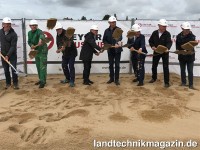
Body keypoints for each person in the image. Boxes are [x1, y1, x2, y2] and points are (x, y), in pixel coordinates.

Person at [148, 19, 172, 87]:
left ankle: (166, 82)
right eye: (163, 26)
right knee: (154, 66)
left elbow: (169, 42)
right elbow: (150, 41)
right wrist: (152, 46)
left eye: (165, 26)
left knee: (165, 67)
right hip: (156, 52)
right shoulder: (154, 33)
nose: (164, 27)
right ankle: (154, 78)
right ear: (159, 26)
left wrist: (167, 48)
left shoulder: (167, 34)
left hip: (165, 53)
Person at [55, 22, 77, 87]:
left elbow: (70, 43)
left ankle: (72, 81)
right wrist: (59, 49)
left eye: (59, 29)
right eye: (57, 29)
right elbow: (58, 44)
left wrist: (65, 46)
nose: (58, 30)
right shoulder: (57, 36)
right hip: (65, 53)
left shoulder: (67, 33)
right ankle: (67, 78)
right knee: (64, 65)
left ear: (62, 28)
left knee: (71, 66)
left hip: (72, 53)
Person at [28, 19, 48, 88]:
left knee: (42, 66)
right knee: (38, 65)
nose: (34, 26)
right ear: (30, 26)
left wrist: (40, 40)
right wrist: (31, 45)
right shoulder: (29, 33)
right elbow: (29, 41)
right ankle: (41, 79)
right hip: (36, 51)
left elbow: (41, 36)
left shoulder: (39, 31)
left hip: (42, 50)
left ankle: (43, 81)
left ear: (37, 26)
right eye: (32, 25)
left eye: (35, 25)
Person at [103, 16, 123, 85]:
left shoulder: (118, 29)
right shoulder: (106, 31)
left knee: (117, 65)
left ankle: (116, 79)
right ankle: (111, 78)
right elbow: (104, 40)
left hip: (117, 50)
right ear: (109, 23)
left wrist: (118, 42)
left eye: (114, 22)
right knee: (111, 64)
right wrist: (107, 45)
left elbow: (120, 38)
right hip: (110, 50)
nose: (113, 23)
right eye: (111, 22)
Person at [0, 17, 19, 89]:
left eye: (9, 24)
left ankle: (15, 83)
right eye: (6, 24)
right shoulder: (0, 32)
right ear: (3, 25)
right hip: (3, 54)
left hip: (12, 55)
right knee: (6, 69)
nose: (8, 26)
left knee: (13, 69)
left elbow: (13, 46)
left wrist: (8, 55)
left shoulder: (14, 34)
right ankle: (8, 83)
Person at [176, 22, 196, 89]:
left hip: (190, 56)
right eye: (186, 29)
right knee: (182, 70)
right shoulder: (178, 36)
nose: (187, 31)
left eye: (188, 29)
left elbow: (192, 46)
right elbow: (177, 47)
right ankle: (183, 82)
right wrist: (179, 51)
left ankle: (191, 85)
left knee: (190, 70)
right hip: (182, 56)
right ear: (182, 29)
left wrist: (189, 51)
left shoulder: (192, 36)